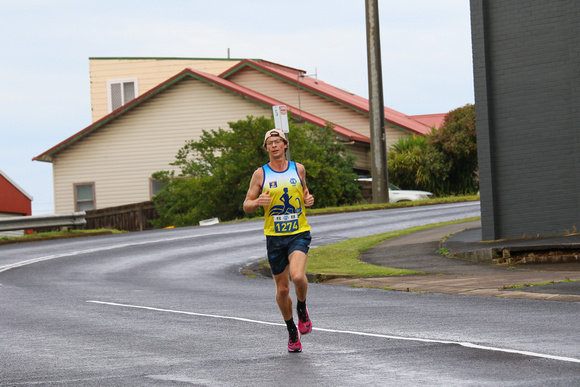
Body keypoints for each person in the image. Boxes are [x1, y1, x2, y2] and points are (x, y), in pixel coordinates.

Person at [243, 128, 315, 352]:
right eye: (269, 143)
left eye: (277, 141)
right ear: (266, 148)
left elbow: (305, 194)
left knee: (297, 275)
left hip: (298, 232)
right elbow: (246, 204)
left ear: (285, 145)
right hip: (274, 237)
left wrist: (308, 199)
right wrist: (257, 202)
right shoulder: (260, 174)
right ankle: (292, 331)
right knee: (283, 290)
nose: (274, 146)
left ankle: (301, 307)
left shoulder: (298, 169)